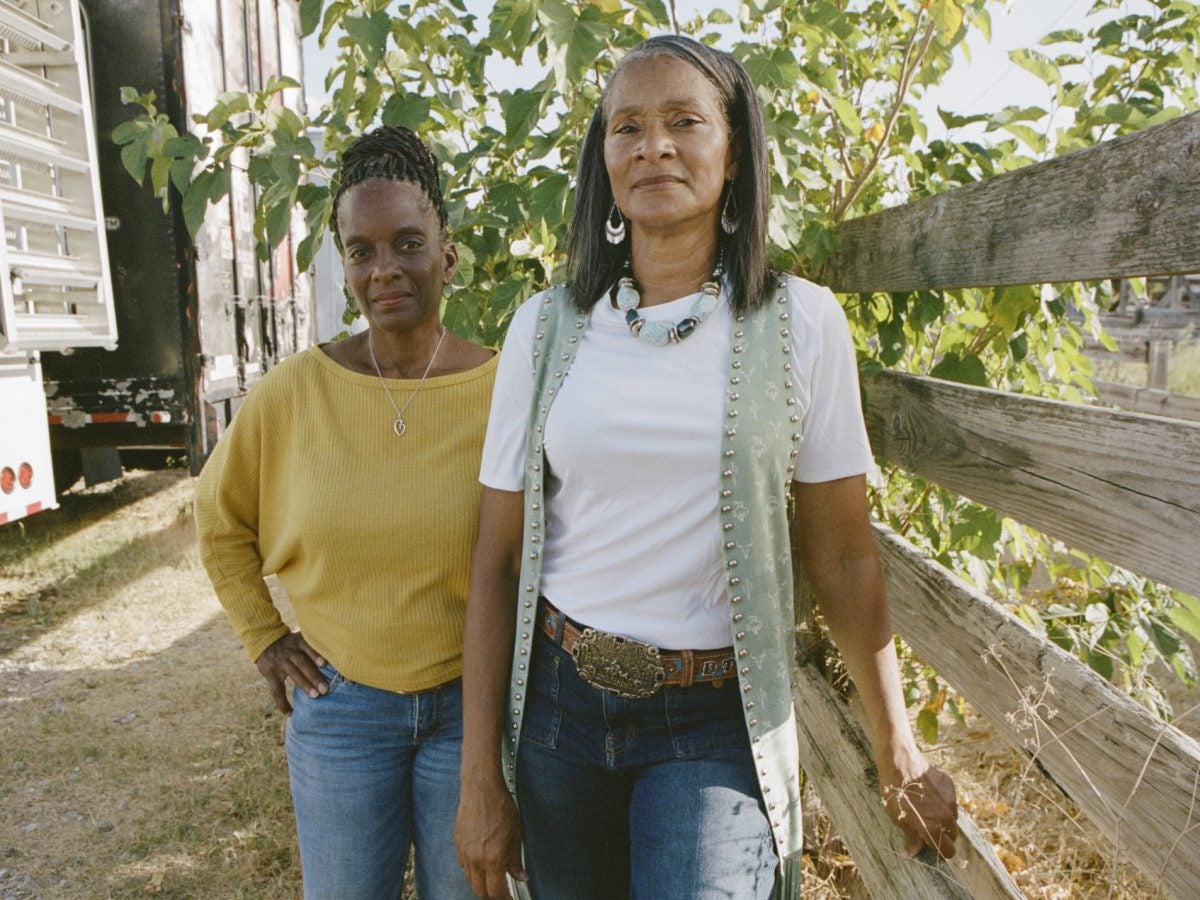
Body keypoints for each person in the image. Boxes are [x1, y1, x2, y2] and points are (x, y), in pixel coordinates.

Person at [454, 35, 958, 899]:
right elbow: (497, 565)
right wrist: (478, 779)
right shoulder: (544, 330)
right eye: (628, 128)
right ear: (604, 163)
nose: (654, 145)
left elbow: (842, 556)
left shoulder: (801, 324)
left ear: (734, 155)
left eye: (685, 120)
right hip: (559, 719)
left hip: (713, 721)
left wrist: (897, 743)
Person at [194, 125, 495, 899]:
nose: (385, 268)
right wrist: (263, 636)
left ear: (448, 254)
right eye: (361, 251)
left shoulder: (504, 388)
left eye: (408, 242)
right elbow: (218, 518)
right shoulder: (295, 392)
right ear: (344, 269)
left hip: (473, 710)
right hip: (343, 709)